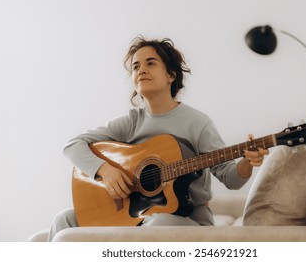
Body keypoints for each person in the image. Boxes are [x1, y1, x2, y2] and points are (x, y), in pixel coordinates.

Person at [47, 36, 269, 241]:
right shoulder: (132, 122)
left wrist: (246, 162)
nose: (142, 69)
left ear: (171, 75)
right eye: (136, 66)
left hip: (189, 220)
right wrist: (105, 170)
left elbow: (231, 179)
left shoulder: (197, 123)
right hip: (134, 218)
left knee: (157, 222)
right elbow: (72, 145)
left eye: (151, 63)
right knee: (64, 220)